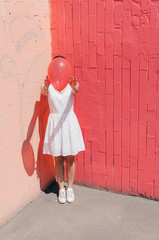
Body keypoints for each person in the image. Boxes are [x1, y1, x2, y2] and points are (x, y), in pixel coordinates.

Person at [41, 56, 85, 204]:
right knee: (58, 158)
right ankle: (61, 189)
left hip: (68, 123)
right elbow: (43, 92)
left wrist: (75, 86)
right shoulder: (50, 86)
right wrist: (45, 87)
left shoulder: (71, 85)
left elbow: (76, 90)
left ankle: (70, 188)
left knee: (70, 158)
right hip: (55, 125)